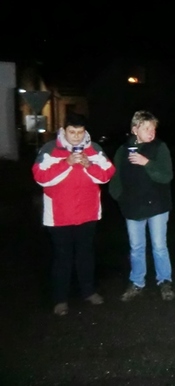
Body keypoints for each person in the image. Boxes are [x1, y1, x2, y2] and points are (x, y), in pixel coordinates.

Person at [32, 113, 115, 316]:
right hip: (59, 215)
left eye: (80, 132)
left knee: (86, 255)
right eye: (72, 132)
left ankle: (89, 292)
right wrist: (66, 163)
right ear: (64, 130)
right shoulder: (50, 148)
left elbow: (107, 174)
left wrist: (89, 165)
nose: (76, 137)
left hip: (88, 213)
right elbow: (40, 177)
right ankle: (60, 300)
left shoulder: (94, 149)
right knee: (63, 258)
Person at [109, 111, 175, 302]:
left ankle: (164, 281)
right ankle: (137, 282)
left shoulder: (159, 147)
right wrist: (120, 198)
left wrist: (147, 163)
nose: (151, 132)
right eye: (146, 128)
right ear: (134, 130)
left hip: (157, 205)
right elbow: (115, 178)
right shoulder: (123, 150)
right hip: (132, 207)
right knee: (136, 247)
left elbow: (166, 176)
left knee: (159, 246)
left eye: (153, 128)